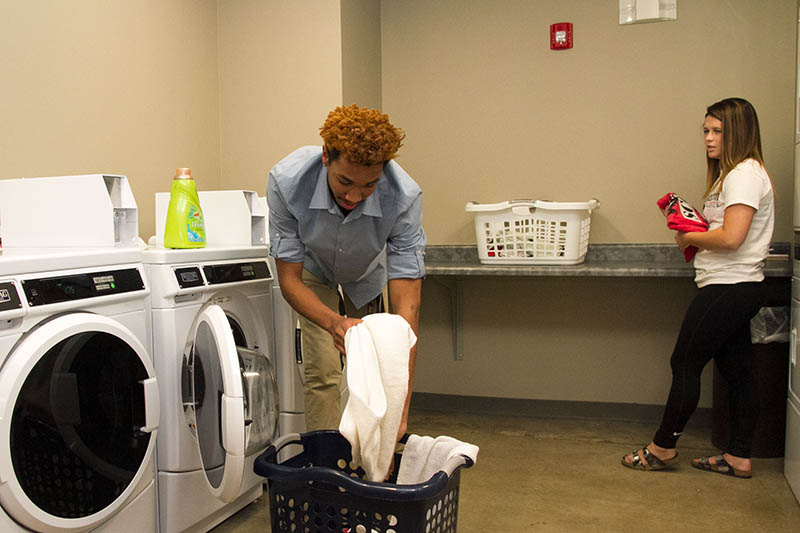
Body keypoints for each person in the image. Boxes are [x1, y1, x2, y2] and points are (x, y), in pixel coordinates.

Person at [621, 97, 775, 478]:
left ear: (737, 132)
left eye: (717, 131)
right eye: (706, 130)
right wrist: (692, 228)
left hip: (728, 285)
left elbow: (733, 237)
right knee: (737, 371)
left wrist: (690, 237)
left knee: (685, 363)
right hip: (736, 285)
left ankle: (663, 448)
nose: (708, 138)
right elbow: (724, 231)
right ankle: (738, 455)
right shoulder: (736, 174)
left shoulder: (744, 174)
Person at [267, 104, 426, 437]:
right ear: (326, 156)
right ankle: (327, 467)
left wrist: (403, 412)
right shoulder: (286, 183)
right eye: (345, 181)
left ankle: (370, 462)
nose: (354, 195)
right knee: (323, 372)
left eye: (369, 186)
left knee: (376, 368)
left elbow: (406, 316)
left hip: (366, 272)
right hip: (312, 272)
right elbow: (289, 280)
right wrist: (334, 322)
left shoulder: (404, 197)